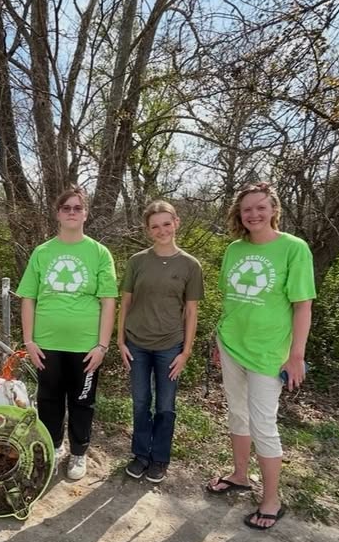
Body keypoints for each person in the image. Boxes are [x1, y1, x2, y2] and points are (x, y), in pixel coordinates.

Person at [206, 182, 315, 530]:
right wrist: (217, 341)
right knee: (237, 414)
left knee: (263, 424)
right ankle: (240, 475)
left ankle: (271, 500)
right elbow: (230, 300)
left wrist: (296, 355)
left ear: (273, 210)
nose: (253, 214)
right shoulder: (234, 250)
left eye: (260, 207)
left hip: (269, 353)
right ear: (239, 214)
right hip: (231, 345)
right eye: (247, 209)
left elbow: (302, 305)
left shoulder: (293, 249)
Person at [17, 187, 117, 481]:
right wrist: (29, 341)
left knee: (82, 400)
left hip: (86, 346)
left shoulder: (99, 253)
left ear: (86, 213)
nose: (72, 212)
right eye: (66, 208)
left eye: (77, 207)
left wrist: (102, 345)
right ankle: (55, 446)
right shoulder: (42, 252)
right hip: (47, 344)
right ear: (58, 213)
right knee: (49, 399)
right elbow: (28, 298)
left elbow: (109, 300)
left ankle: (79, 452)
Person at [118, 201, 203, 484]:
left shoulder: (191, 265)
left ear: (176, 223)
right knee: (141, 402)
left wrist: (186, 352)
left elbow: (191, 311)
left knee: (165, 405)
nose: (162, 230)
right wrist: (120, 340)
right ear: (148, 230)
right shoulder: (137, 261)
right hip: (137, 344)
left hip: (170, 346)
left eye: (166, 223)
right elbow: (125, 302)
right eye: (155, 226)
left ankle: (160, 458)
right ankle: (141, 455)